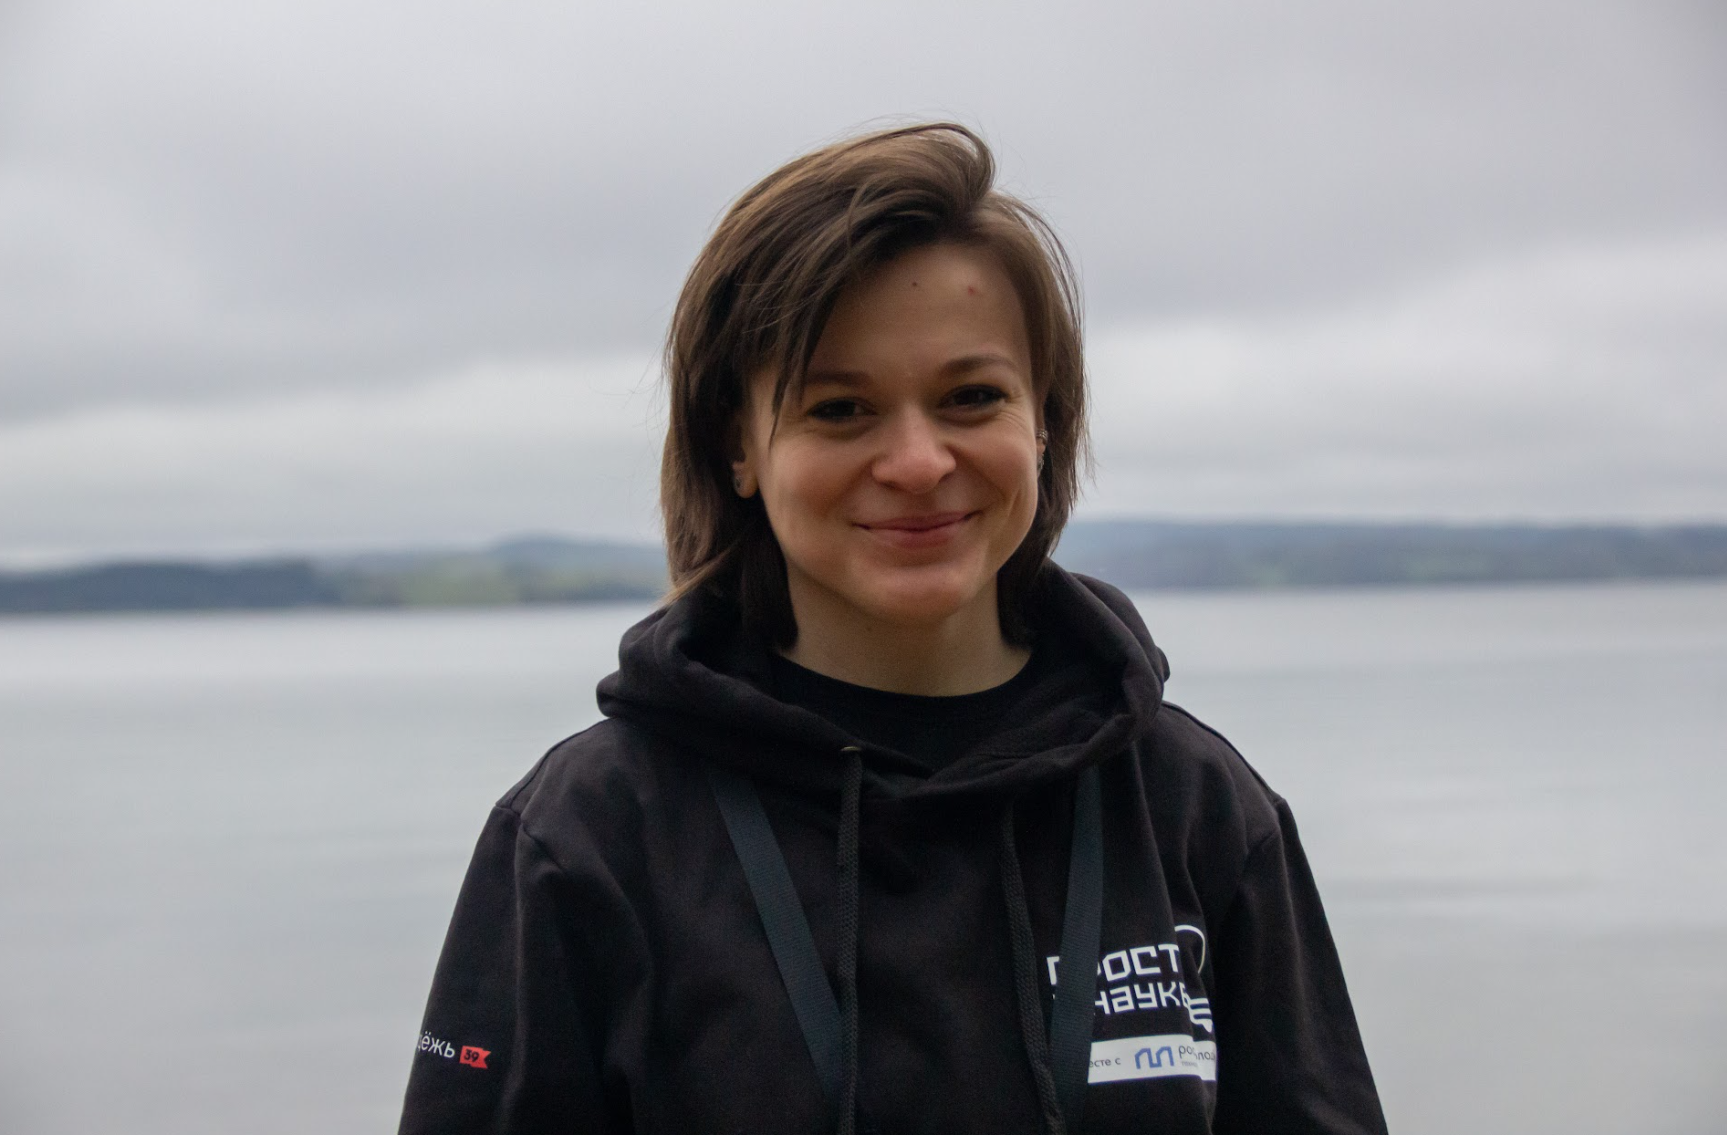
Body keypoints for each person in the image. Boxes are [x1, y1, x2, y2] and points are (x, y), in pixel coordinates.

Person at [397, 122, 1387, 1135]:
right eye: (839, 409)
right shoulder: (588, 835)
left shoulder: (1193, 807)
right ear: (738, 445)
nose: (917, 462)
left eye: (971, 397)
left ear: (1043, 420)